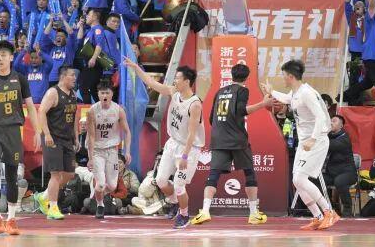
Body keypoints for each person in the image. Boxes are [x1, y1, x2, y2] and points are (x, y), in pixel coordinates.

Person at [123, 59, 204, 229]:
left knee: (180, 186)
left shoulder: (195, 104)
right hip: (173, 143)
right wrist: (136, 68)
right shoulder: (174, 92)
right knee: (160, 180)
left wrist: (185, 156)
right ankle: (174, 202)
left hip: (188, 148)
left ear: (187, 81)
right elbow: (152, 83)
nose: (175, 81)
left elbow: (192, 133)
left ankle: (184, 215)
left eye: (178, 78)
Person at [0, 40, 41, 236]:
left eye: (3, 55)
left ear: (11, 57)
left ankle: (11, 219)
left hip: (13, 132)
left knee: (13, 177)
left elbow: (30, 107)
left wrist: (37, 131)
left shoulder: (20, 80)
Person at [191, 63, 273, 226]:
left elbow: (211, 118)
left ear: (231, 75)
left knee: (213, 175)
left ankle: (205, 211)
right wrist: (263, 104)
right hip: (237, 139)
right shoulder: (242, 90)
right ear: (247, 78)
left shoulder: (220, 92)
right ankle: (253, 214)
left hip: (219, 139)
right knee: (249, 173)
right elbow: (241, 110)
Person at [261, 60, 339, 230]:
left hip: (317, 141)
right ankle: (318, 216)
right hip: (305, 142)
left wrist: (313, 138)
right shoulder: (296, 92)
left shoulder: (307, 93)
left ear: (290, 76)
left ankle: (329, 212)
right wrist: (271, 91)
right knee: (297, 181)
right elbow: (287, 98)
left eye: (283, 75)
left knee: (300, 179)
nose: (282, 78)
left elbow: (320, 116)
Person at [35, 65, 79, 220]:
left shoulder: (73, 94)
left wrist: (76, 137)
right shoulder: (53, 93)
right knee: (56, 174)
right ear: (63, 77)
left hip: (67, 138)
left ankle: (44, 196)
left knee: (69, 174)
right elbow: (41, 111)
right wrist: (46, 134)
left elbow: (74, 117)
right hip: (53, 138)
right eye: (72, 75)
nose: (74, 78)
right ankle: (53, 208)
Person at [85, 79, 132, 219]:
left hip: (112, 150)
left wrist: (127, 151)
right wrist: (90, 158)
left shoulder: (118, 110)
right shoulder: (92, 111)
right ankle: (100, 204)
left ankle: (97, 195)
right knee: (100, 184)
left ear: (112, 94)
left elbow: (127, 132)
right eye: (102, 93)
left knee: (111, 186)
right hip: (97, 150)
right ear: (98, 94)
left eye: (107, 93)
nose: (104, 95)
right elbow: (91, 137)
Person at [323, 115, 357, 217]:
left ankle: (347, 208)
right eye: (330, 121)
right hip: (332, 173)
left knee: (339, 181)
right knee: (314, 179)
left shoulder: (344, 138)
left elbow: (329, 145)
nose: (331, 123)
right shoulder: (328, 136)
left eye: (334, 121)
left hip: (348, 173)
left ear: (341, 125)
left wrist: (321, 135)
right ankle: (328, 206)